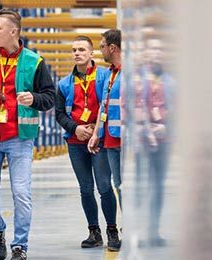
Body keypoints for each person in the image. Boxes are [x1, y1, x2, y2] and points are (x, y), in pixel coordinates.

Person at [0, 8, 55, 260]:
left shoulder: (34, 61)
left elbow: (49, 97)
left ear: (13, 31)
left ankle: (20, 246)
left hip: (19, 137)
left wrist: (33, 98)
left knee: (21, 192)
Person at [55, 36, 120, 251]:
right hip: (75, 142)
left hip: (99, 140)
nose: (77, 53)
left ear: (91, 53)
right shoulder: (64, 84)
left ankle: (112, 228)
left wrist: (94, 128)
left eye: (82, 49)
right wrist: (76, 129)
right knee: (85, 188)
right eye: (74, 50)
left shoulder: (104, 76)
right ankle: (94, 231)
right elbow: (59, 114)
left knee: (104, 185)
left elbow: (107, 104)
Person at [88, 29, 123, 251]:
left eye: (101, 46)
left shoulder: (130, 72)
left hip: (126, 141)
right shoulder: (111, 74)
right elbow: (105, 106)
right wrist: (96, 134)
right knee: (119, 186)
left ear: (112, 47)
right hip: (110, 140)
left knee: (126, 188)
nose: (101, 50)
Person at [143, 41, 174, 247]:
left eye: (159, 49)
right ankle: (138, 230)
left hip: (163, 139)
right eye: (152, 49)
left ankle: (153, 230)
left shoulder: (172, 82)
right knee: (142, 185)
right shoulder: (137, 80)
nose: (155, 53)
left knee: (158, 185)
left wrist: (166, 127)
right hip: (141, 140)